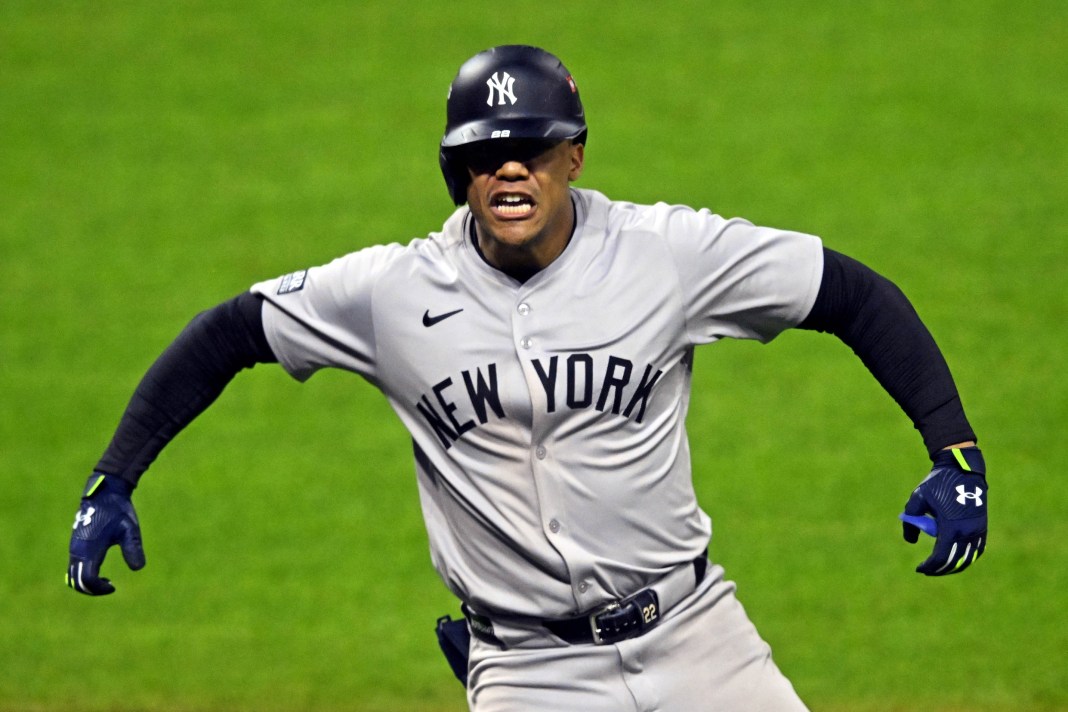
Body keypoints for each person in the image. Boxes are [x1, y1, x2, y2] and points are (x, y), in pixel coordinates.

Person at [67, 45, 988, 710]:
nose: (510, 167)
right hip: (528, 672)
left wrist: (955, 453)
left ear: (573, 157)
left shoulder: (666, 252)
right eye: (484, 153)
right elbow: (230, 332)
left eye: (533, 148)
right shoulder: (392, 292)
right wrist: (115, 477)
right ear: (457, 172)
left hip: (699, 639)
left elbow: (855, 296)